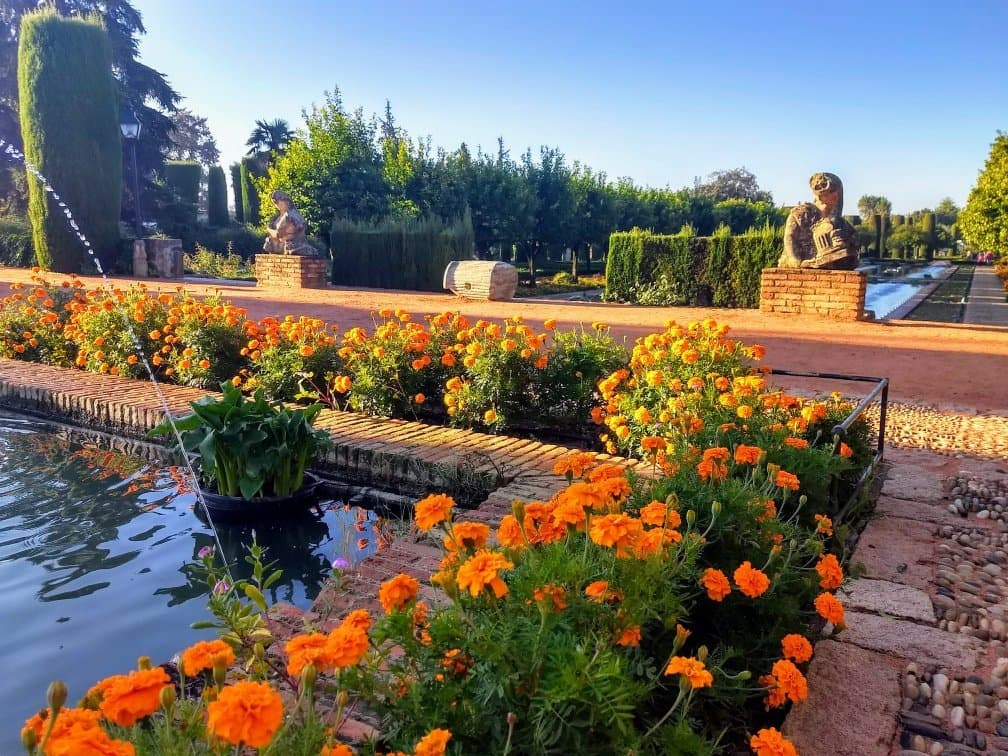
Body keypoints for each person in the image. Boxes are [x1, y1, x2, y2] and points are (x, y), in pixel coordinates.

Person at [262, 190, 316, 256]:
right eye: (275, 203)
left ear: (287, 202)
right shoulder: (278, 217)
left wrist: (268, 229)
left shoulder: (290, 215)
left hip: (294, 245)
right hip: (282, 247)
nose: (277, 205)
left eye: (278, 202)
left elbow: (278, 234)